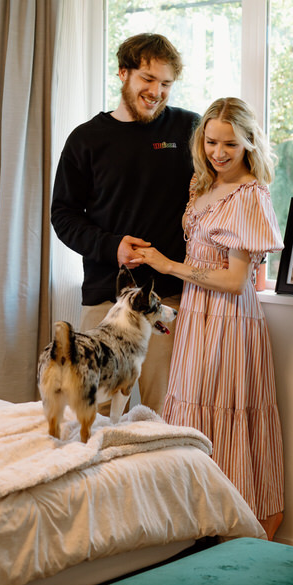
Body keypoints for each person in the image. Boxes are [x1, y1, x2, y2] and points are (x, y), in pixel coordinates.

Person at [132, 97, 285, 538]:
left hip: (229, 321)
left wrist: (168, 266)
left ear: (249, 145)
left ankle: (237, 522)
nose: (218, 153)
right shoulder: (202, 185)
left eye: (230, 146)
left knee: (224, 409)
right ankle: (194, 519)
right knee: (188, 408)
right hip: (196, 316)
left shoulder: (251, 196)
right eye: (211, 141)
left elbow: (237, 280)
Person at [50, 33, 197, 413]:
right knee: (92, 415)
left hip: (166, 297)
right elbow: (62, 215)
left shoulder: (189, 130)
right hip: (105, 299)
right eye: (147, 79)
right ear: (123, 73)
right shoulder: (86, 140)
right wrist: (112, 245)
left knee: (164, 413)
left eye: (166, 84)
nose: (156, 91)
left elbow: (228, 179)